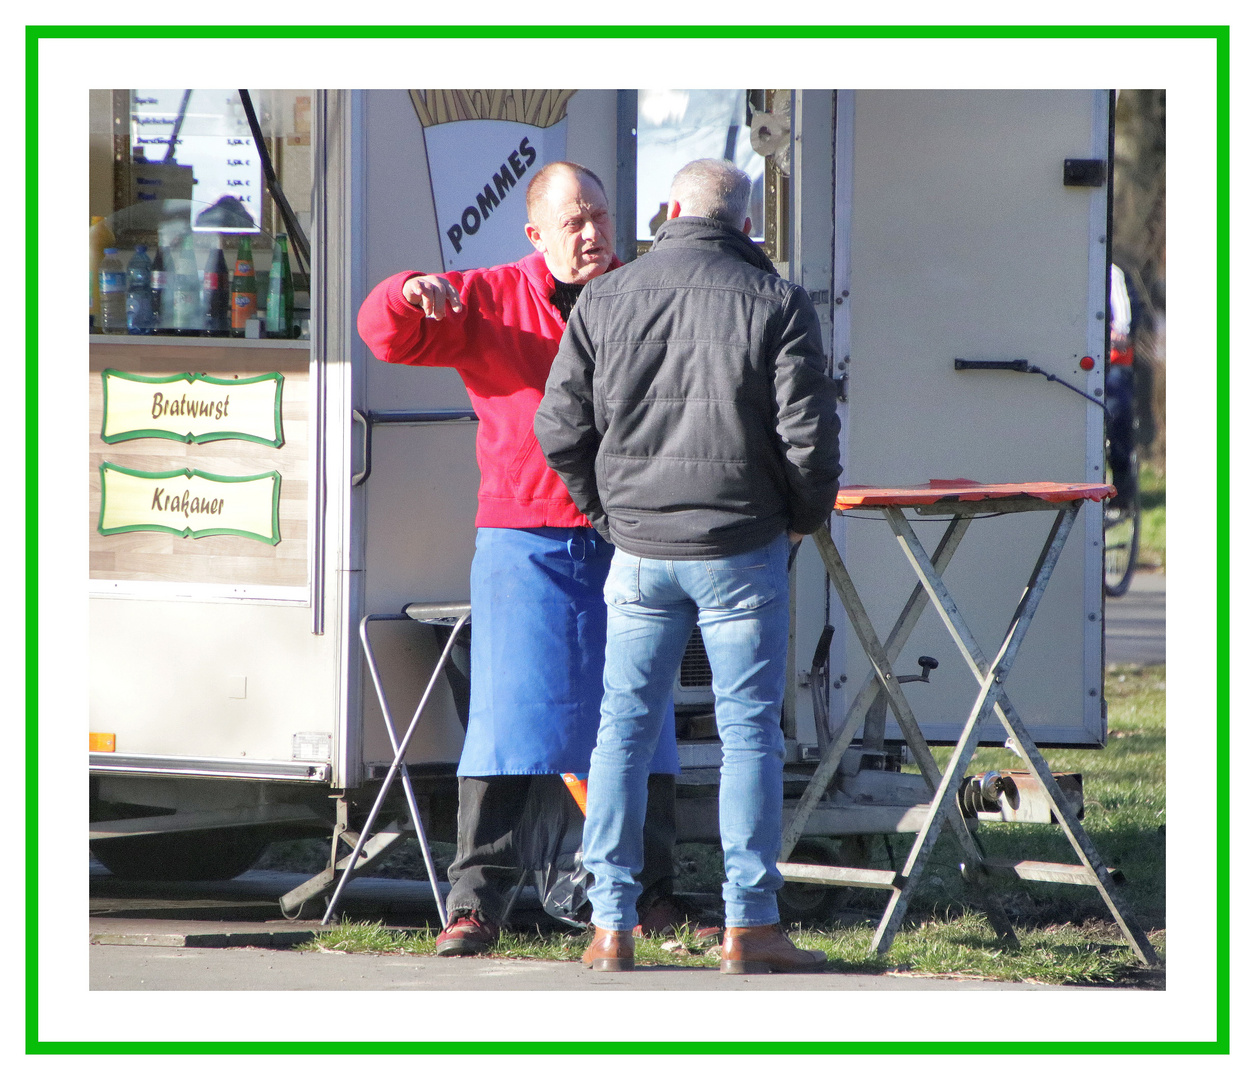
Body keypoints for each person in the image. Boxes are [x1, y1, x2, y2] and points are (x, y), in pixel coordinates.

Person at [356, 161, 702, 958]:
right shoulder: (485, 297)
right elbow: (388, 334)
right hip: (527, 536)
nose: (591, 235)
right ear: (534, 233)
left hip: (632, 533)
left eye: (601, 219)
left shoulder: (643, 292)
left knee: (643, 723)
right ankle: (475, 904)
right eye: (574, 222)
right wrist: (408, 288)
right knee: (509, 726)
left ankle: (651, 897)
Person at [535, 158, 843, 974]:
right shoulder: (775, 300)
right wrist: (799, 521)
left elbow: (558, 428)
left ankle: (610, 926)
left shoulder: (604, 296)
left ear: (670, 210)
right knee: (749, 735)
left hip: (638, 549)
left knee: (622, 732)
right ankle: (750, 925)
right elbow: (808, 437)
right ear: (746, 226)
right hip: (742, 546)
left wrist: (610, 513)